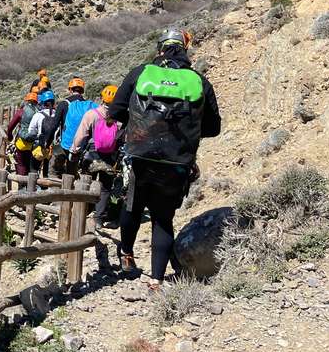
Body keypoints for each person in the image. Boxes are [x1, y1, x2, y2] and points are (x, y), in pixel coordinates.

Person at [109, 28, 222, 292]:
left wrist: (138, 126)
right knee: (162, 218)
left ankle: (127, 255)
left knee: (132, 207)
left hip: (139, 156)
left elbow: (115, 110)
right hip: (177, 161)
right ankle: (157, 280)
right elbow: (213, 128)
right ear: (185, 50)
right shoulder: (199, 81)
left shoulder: (140, 73)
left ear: (160, 48)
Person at [71, 85, 123, 229]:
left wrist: (74, 150)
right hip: (110, 156)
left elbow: (81, 135)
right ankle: (98, 218)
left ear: (102, 98)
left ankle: (83, 212)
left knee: (86, 182)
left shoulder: (91, 114)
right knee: (105, 188)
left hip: (91, 154)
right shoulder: (120, 117)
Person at [51, 77, 97, 177]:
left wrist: (47, 141)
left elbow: (54, 125)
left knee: (55, 171)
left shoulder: (64, 104)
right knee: (71, 171)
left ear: (70, 90)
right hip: (81, 144)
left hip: (65, 143)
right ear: (82, 91)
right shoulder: (88, 105)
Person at [6, 88, 39, 176]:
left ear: (27, 101)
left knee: (21, 163)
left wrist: (9, 136)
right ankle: (30, 181)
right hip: (34, 142)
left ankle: (21, 182)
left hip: (22, 141)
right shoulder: (39, 112)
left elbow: (10, 126)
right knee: (30, 163)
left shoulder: (21, 111)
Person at [27, 89, 58, 173]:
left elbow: (31, 131)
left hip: (39, 146)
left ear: (42, 103)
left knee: (33, 169)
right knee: (47, 172)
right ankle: (45, 178)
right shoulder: (57, 114)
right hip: (53, 148)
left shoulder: (38, 115)